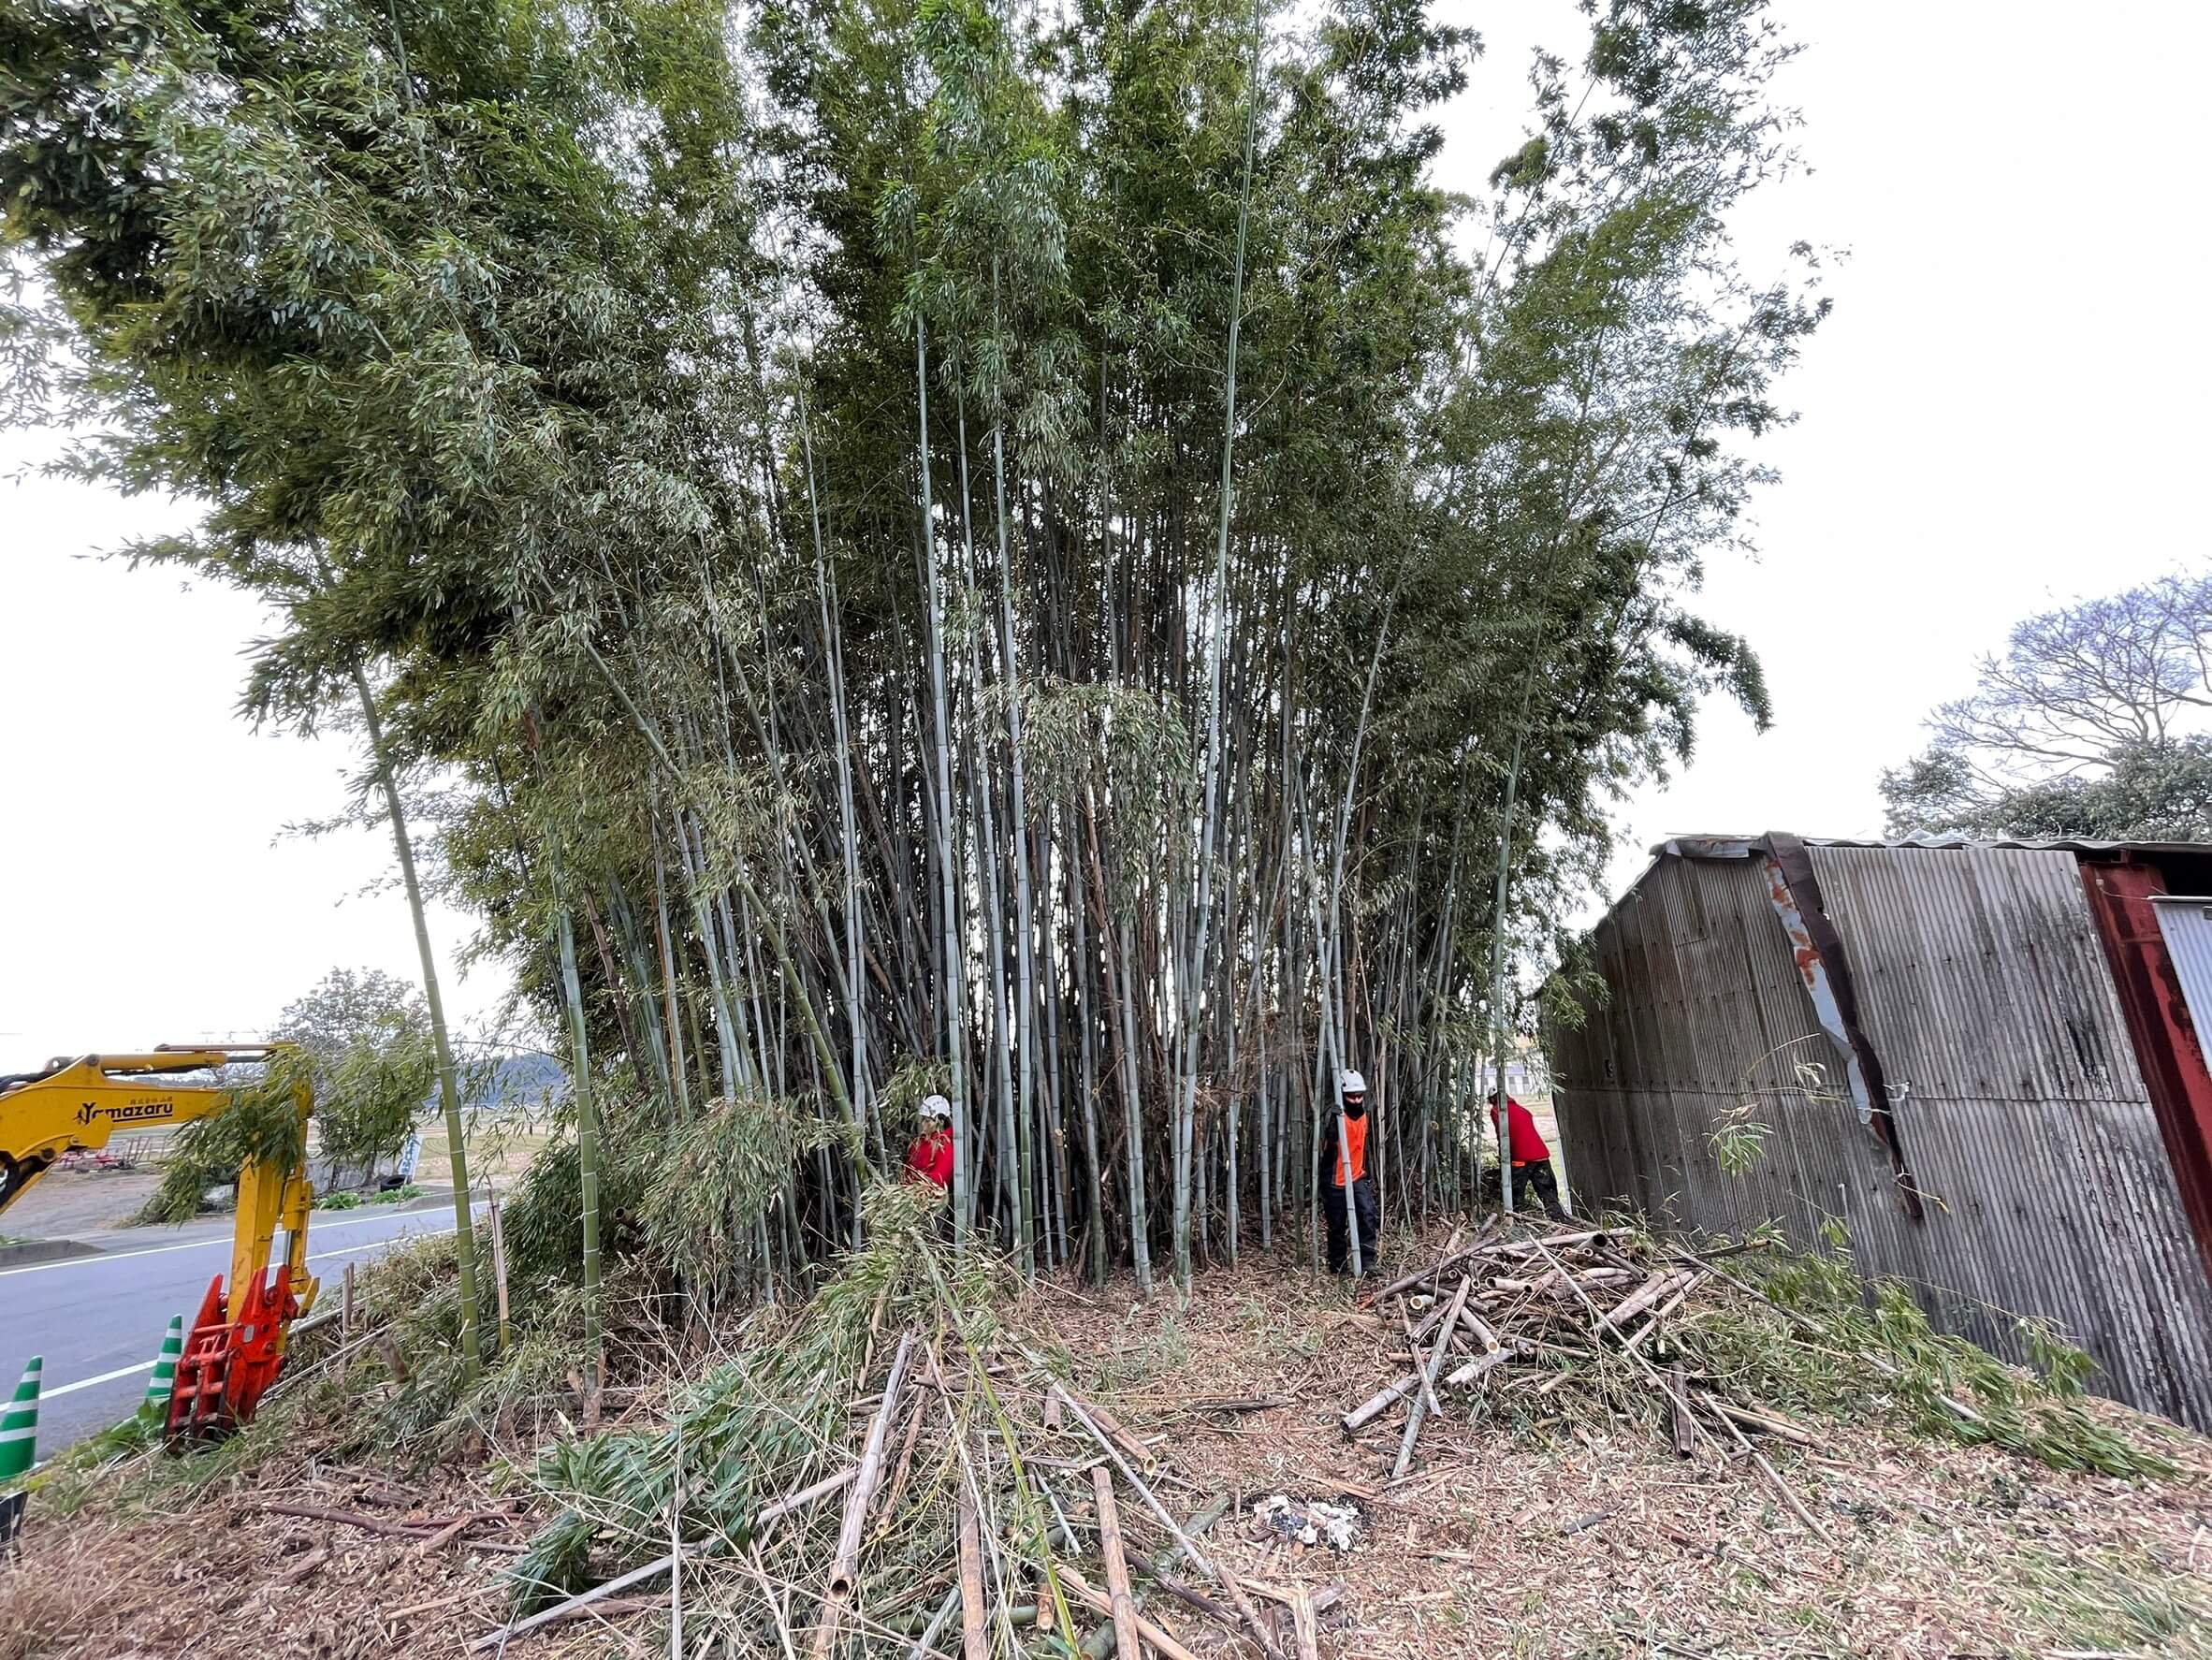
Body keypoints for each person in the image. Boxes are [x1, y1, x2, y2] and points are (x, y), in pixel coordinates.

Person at [1323, 1069, 1381, 1275]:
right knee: (1337, 1225)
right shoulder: (1335, 1117)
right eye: (1351, 1096)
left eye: (1359, 1096)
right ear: (1342, 1094)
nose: (1356, 1100)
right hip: (1335, 1180)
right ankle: (1338, 1267)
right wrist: (1333, 1122)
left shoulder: (1364, 1114)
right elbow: (1328, 1144)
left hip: (1356, 1176)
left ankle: (1367, 1263)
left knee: (1367, 1214)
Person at [1489, 1093, 1569, 1221]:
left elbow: (1502, 1135)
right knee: (1547, 1191)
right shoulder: (1523, 1110)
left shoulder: (1497, 1111)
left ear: (1493, 1099)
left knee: (1516, 1193)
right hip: (1540, 1154)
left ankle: (1517, 1221)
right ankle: (1559, 1218)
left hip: (1521, 1157)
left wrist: (1503, 1155)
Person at [905, 1095, 953, 1194]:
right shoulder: (918, 1143)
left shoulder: (944, 1147)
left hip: (927, 1201)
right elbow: (907, 1170)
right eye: (923, 1119)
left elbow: (938, 1180)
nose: (923, 1124)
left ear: (940, 1121)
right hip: (909, 1196)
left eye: (927, 1121)